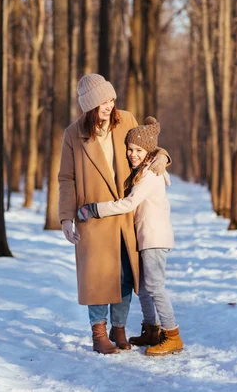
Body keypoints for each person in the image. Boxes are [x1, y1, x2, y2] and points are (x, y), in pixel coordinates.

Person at [58, 74, 170, 355]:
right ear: (89, 105)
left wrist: (164, 157)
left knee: (124, 275)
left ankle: (118, 328)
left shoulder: (127, 120)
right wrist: (65, 218)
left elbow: (151, 146)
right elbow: (66, 178)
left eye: (111, 99)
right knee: (97, 276)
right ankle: (98, 332)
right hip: (91, 214)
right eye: (102, 102)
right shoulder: (74, 134)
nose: (109, 105)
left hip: (123, 211)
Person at [78, 116, 183, 356]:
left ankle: (173, 334)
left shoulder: (149, 175)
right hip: (146, 238)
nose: (131, 154)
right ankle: (150, 329)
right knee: (144, 288)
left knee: (155, 287)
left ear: (148, 152)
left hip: (155, 238)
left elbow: (129, 203)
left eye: (138, 150)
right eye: (129, 149)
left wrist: (96, 209)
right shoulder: (144, 170)